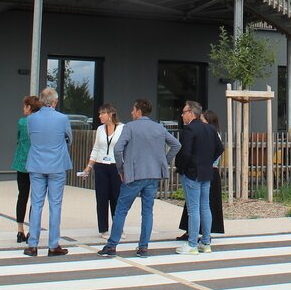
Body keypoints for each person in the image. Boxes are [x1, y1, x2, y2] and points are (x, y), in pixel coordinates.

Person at [98, 98, 181, 258]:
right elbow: (176, 145)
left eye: (133, 109)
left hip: (135, 174)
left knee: (121, 209)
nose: (131, 112)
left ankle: (112, 245)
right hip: (153, 174)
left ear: (138, 111)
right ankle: (143, 247)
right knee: (147, 211)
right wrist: (164, 161)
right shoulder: (159, 128)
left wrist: (121, 169)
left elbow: (117, 150)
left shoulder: (130, 127)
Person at [24, 88, 72, 257]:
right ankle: (53, 245)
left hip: (36, 164)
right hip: (57, 164)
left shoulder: (31, 119)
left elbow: (31, 137)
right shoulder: (62, 118)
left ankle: (32, 245)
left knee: (36, 204)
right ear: (54, 102)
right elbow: (69, 138)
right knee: (55, 205)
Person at [174, 100, 225, 254]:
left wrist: (182, 168)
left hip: (192, 173)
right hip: (206, 172)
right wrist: (207, 161)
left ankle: (192, 245)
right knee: (205, 207)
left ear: (191, 113)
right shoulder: (209, 129)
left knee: (193, 209)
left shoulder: (189, 130)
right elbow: (220, 148)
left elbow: (185, 153)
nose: (182, 115)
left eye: (184, 112)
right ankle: (206, 242)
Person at [81, 103, 124, 236]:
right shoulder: (100, 129)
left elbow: (126, 148)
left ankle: (118, 228)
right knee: (102, 198)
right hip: (100, 166)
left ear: (110, 114)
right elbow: (96, 148)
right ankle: (103, 229)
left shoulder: (123, 128)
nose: (99, 116)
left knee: (117, 198)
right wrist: (89, 167)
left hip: (116, 167)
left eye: (102, 113)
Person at [12, 95, 41, 244]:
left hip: (21, 162)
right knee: (35, 199)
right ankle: (32, 230)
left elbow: (18, 138)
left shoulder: (22, 122)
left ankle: (19, 230)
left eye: (25, 106)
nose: (23, 109)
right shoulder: (40, 122)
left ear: (29, 107)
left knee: (22, 196)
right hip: (36, 164)